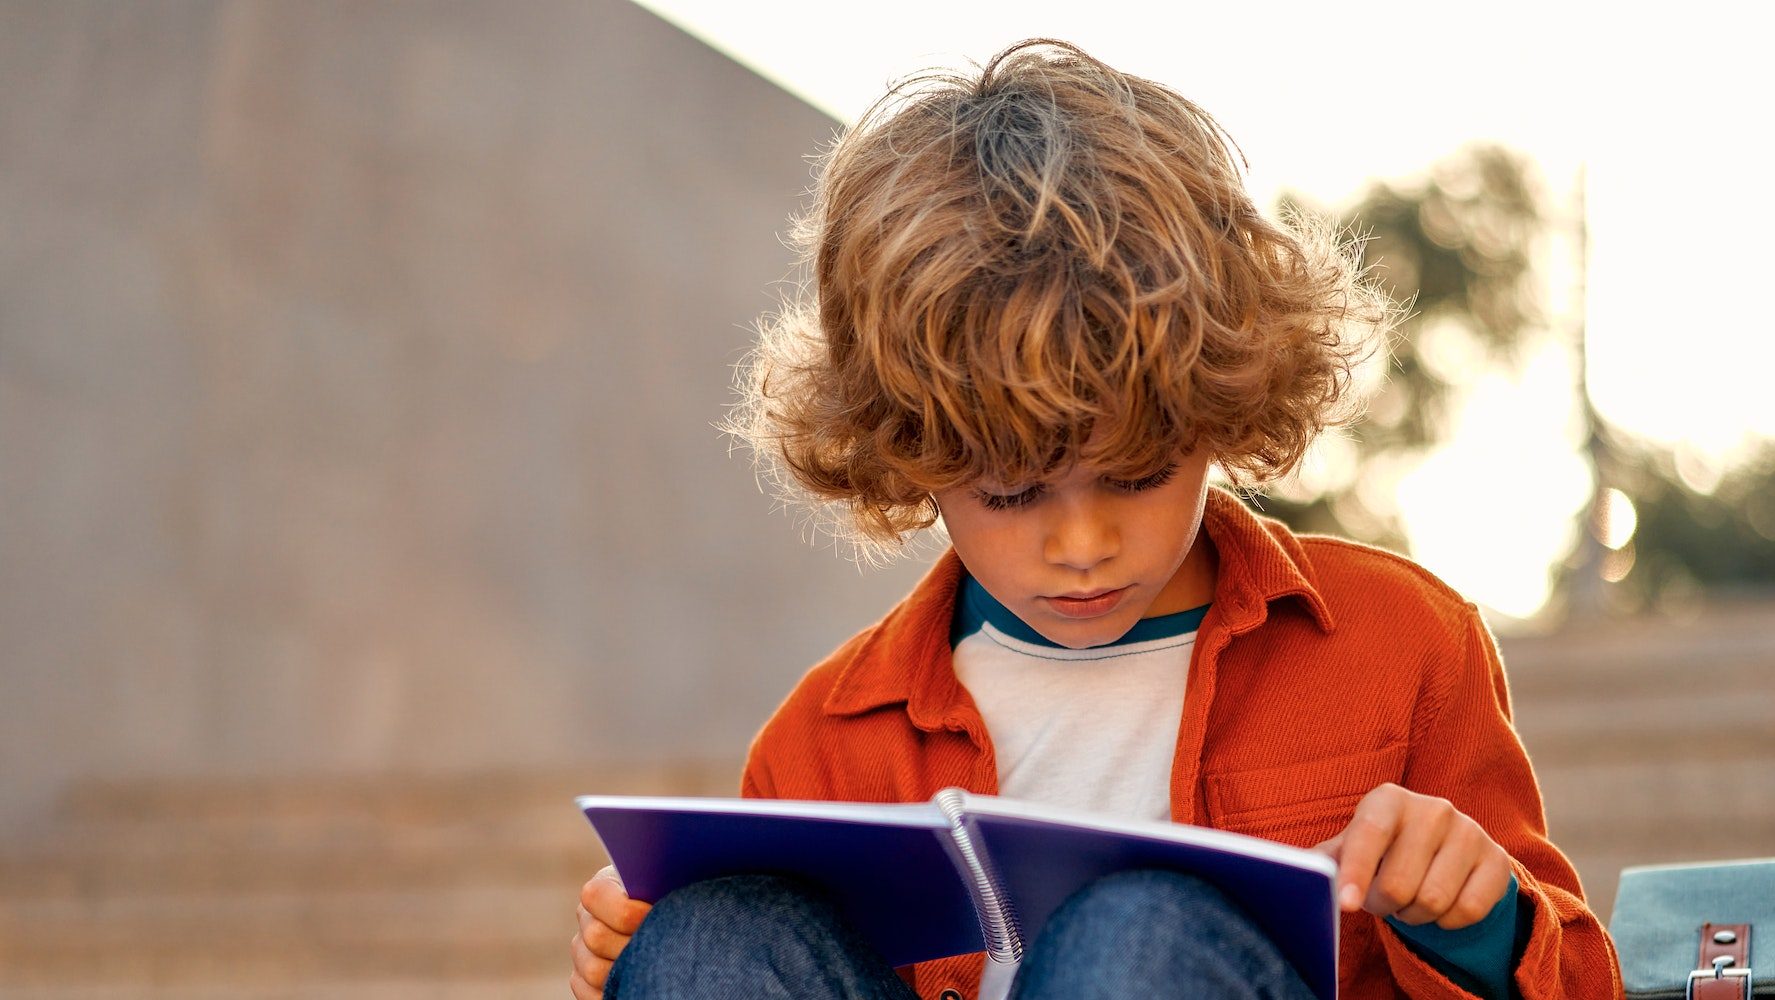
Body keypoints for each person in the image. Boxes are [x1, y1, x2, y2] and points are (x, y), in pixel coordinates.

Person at [570, 38, 1622, 1000]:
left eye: (1136, 472)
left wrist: (1477, 918)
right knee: (709, 937)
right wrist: (643, 966)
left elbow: (1581, 980)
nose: (1080, 546)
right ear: (911, 457)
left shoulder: (1398, 642)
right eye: (1011, 493)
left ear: (1218, 412)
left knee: (1134, 935)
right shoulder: (822, 744)